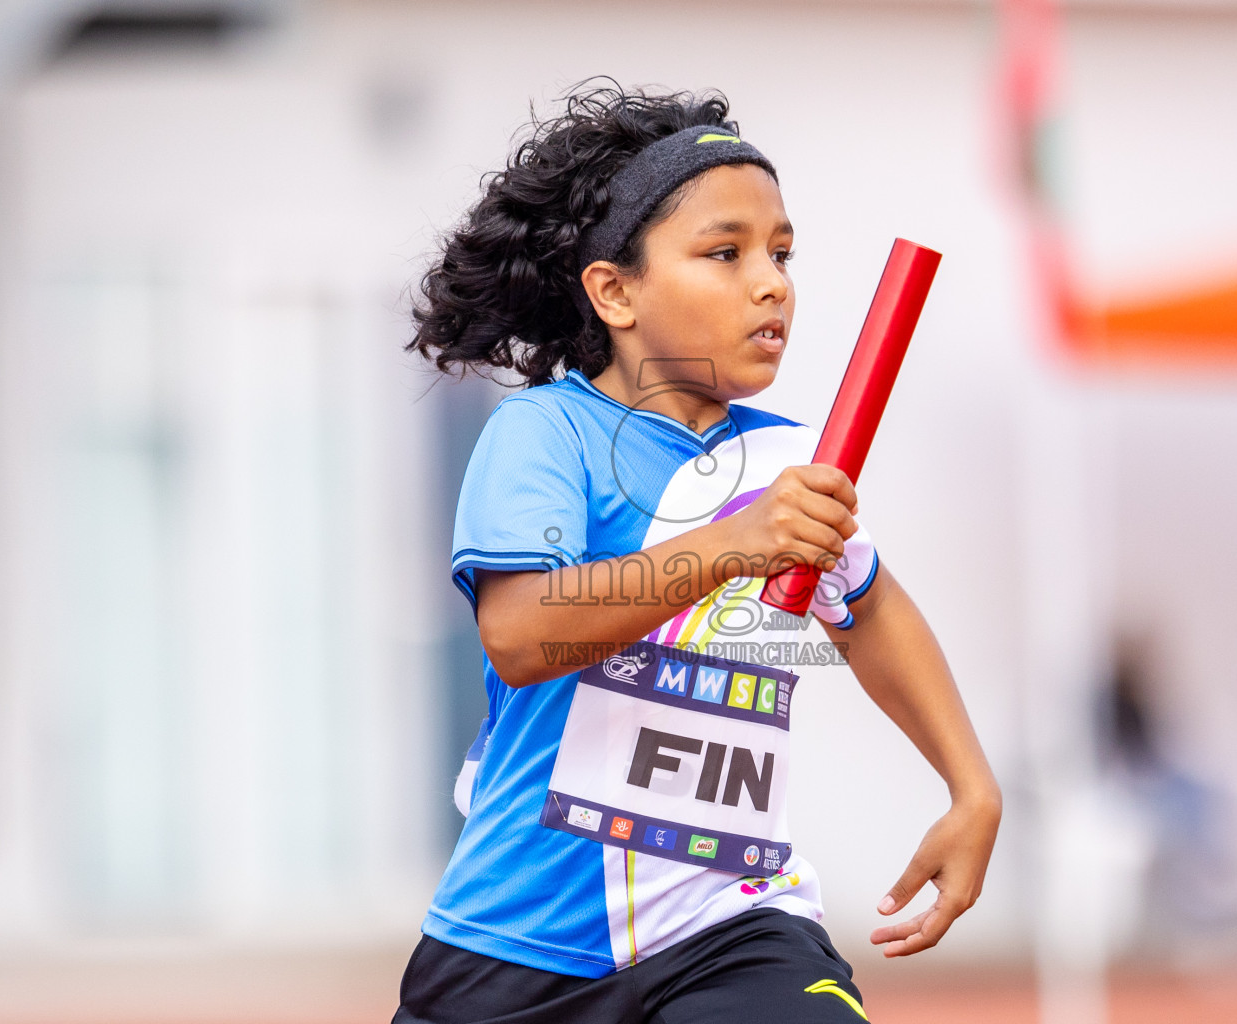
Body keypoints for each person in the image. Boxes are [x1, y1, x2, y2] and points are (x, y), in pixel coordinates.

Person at [392, 83, 1001, 1024]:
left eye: (782, 254)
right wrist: (728, 546)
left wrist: (970, 784)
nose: (772, 283)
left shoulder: (793, 457)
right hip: (517, 944)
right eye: (726, 253)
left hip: (732, 924)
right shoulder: (546, 434)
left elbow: (871, 607)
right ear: (615, 290)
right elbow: (519, 634)